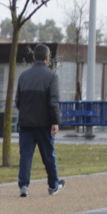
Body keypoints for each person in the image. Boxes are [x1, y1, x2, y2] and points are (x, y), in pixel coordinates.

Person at [15, 44, 65, 197]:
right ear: (48, 58)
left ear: (34, 57)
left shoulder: (23, 76)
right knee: (48, 155)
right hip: (44, 123)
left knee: (26, 156)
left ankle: (24, 186)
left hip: (26, 123)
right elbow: (53, 101)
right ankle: (53, 185)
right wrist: (55, 121)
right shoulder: (52, 76)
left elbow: (18, 100)